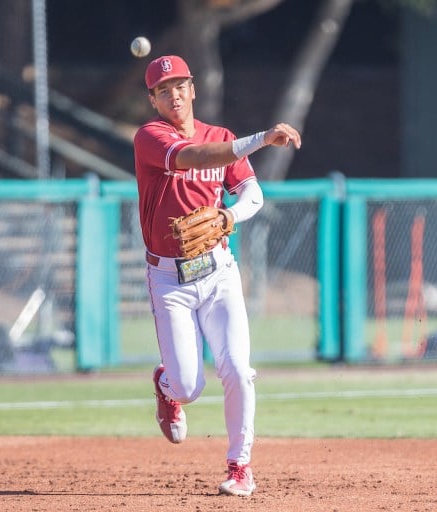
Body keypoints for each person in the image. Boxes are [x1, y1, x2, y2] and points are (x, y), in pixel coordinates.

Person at [133, 55, 302, 497]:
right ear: (153, 99)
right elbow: (193, 157)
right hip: (168, 280)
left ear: (193, 89)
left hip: (219, 272)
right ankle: (166, 385)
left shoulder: (221, 134)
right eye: (163, 89)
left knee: (238, 370)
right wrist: (262, 139)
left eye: (180, 85)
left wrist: (229, 216)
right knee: (189, 385)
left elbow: (252, 193)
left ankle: (240, 466)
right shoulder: (151, 137)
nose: (174, 95)